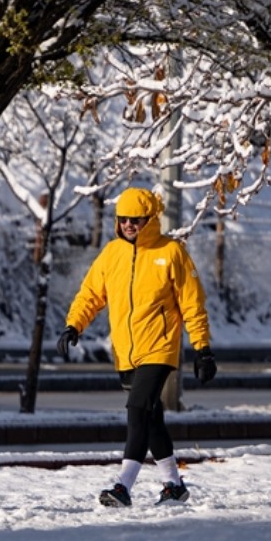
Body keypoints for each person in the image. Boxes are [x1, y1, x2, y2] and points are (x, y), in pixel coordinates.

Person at [57, 187, 214, 508]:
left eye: (136, 219)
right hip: (125, 351)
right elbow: (90, 294)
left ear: (150, 219)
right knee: (151, 417)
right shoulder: (112, 253)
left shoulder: (171, 252)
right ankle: (174, 485)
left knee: (136, 410)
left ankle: (123, 486)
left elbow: (192, 303)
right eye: (124, 219)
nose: (129, 225)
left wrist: (203, 348)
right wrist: (74, 324)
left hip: (159, 347)